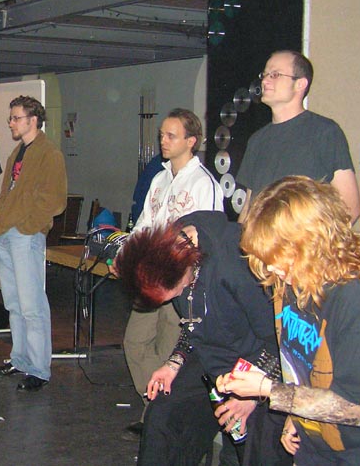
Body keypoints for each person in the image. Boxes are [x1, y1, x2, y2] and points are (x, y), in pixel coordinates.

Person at [114, 211, 290, 466]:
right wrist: (174, 363)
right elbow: (194, 324)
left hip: (261, 365)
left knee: (252, 450)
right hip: (210, 360)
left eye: (175, 293)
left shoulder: (235, 262)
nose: (176, 298)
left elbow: (278, 342)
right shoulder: (176, 244)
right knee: (162, 418)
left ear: (184, 269)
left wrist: (252, 395)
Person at [219, 176, 360, 465]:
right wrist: (296, 416)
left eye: (280, 256)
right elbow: (300, 368)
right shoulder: (290, 284)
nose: (271, 267)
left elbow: (353, 407)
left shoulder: (350, 298)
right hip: (313, 444)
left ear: (312, 242)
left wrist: (269, 390)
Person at [122, 108, 224, 435]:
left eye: (171, 135)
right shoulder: (160, 178)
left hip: (180, 283)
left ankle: (158, 418)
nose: (163, 141)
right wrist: (125, 255)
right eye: (161, 135)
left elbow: (210, 238)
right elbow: (145, 226)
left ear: (191, 141)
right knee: (135, 342)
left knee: (169, 350)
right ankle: (157, 406)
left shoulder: (203, 183)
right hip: (151, 278)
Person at [0, 96, 67, 392]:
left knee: (32, 304)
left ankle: (38, 369)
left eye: (16, 118)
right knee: (14, 303)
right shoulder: (18, 151)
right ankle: (20, 359)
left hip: (24, 234)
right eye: (11, 118)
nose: (11, 123)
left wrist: (27, 224)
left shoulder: (50, 153)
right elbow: (9, 191)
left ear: (33, 120)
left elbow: (55, 200)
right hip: (5, 232)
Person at [237, 50, 360, 224]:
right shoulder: (257, 140)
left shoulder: (325, 132)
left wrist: (317, 239)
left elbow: (349, 206)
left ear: (300, 84)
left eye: (275, 75)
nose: (264, 81)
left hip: (304, 240)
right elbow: (249, 207)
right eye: (264, 75)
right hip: (260, 241)